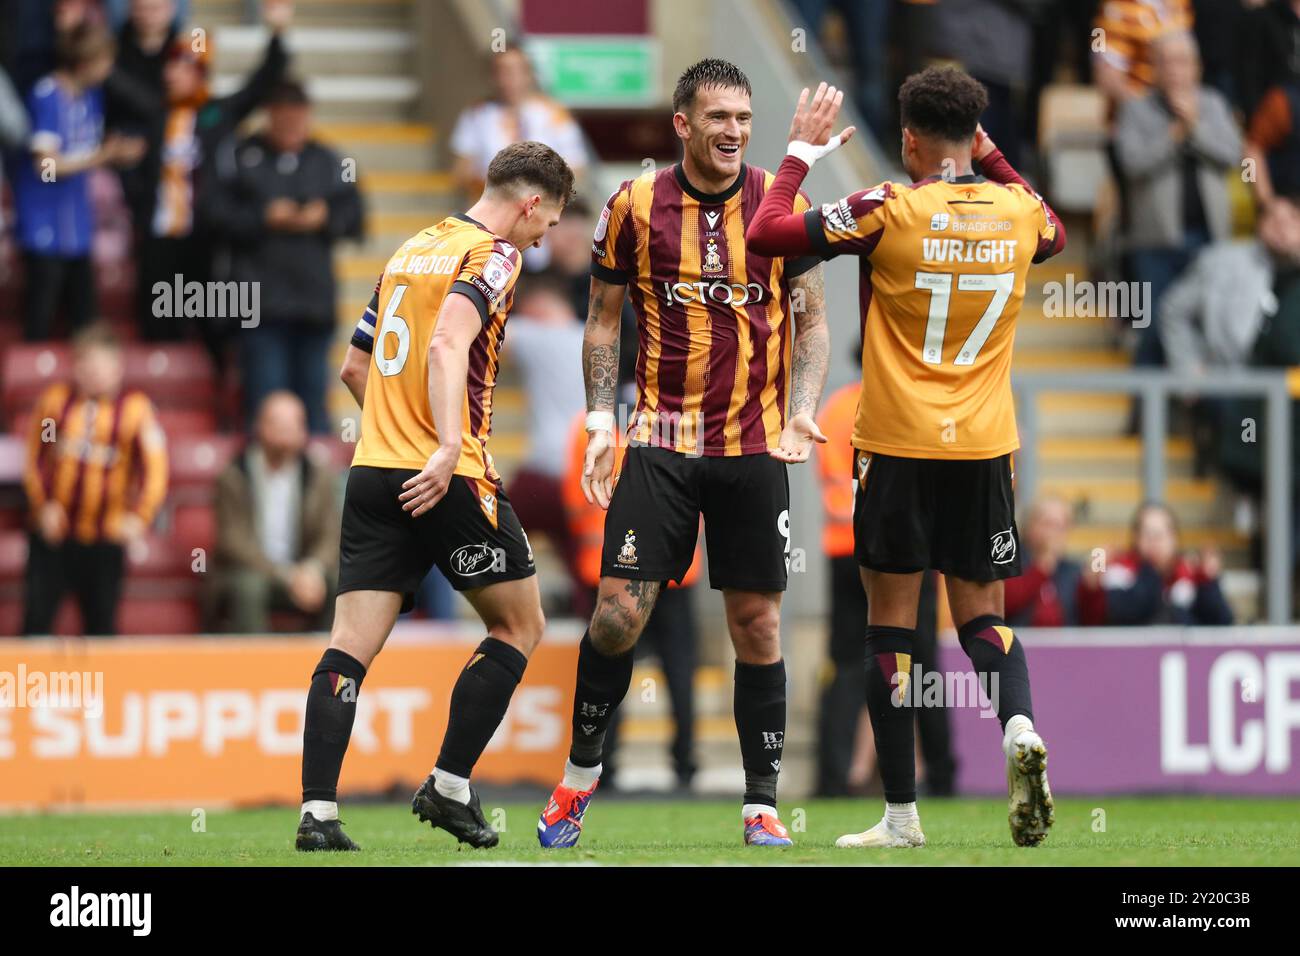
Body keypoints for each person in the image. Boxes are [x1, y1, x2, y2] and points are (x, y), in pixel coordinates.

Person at [747, 66, 1067, 848]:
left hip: (896, 446)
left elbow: (766, 234)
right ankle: (1018, 726)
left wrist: (797, 152)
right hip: (987, 447)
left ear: (908, 140)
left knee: (889, 631)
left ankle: (900, 817)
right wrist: (990, 159)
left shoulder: (887, 209)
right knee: (982, 620)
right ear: (977, 134)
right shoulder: (1018, 212)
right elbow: (1056, 231)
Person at [537, 59, 830, 850]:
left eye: (743, 117)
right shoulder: (633, 205)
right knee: (615, 616)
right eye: (718, 118)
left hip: (754, 446)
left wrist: (802, 413)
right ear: (682, 124)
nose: (734, 130)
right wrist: (601, 419)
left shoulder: (780, 202)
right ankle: (580, 776)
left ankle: (761, 803)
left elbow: (812, 322)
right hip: (659, 440)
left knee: (756, 624)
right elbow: (601, 322)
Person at [294, 141, 574, 852]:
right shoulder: (494, 255)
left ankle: (318, 814)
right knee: (520, 625)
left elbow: (355, 366)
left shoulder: (412, 248)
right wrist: (444, 445)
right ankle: (450, 785)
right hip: (447, 476)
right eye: (546, 225)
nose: (540, 242)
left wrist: (394, 430)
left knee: (348, 651)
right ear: (531, 203)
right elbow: (450, 344)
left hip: (373, 472)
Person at [205, 79, 364, 433]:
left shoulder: (327, 160)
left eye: (298, 119)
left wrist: (325, 218)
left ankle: (319, 486)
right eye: (283, 119)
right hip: (260, 305)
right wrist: (263, 217)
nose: (292, 128)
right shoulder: (240, 156)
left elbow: (355, 218)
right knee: (265, 404)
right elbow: (213, 215)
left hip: (313, 304)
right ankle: (257, 484)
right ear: (268, 116)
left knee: (314, 407)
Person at [136, 0, 290, 349]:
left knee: (213, 325)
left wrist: (277, 32)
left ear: (199, 72)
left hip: (205, 236)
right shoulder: (156, 117)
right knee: (159, 326)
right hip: (160, 238)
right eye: (170, 67)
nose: (170, 74)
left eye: (181, 68)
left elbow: (263, 82)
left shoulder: (217, 114)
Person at [21, 324, 168, 636]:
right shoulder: (54, 403)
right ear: (75, 366)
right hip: (54, 536)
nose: (94, 373)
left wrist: (139, 518)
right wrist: (43, 506)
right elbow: (35, 457)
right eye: (86, 365)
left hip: (106, 538)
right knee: (35, 624)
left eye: (101, 366)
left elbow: (155, 471)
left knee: (102, 629)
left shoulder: (137, 410)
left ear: (118, 368)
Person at [1113, 30, 1241, 367]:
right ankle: (1144, 417)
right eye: (1165, 62)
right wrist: (1173, 136)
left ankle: (1203, 418)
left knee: (1209, 330)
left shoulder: (1212, 104)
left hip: (1209, 240)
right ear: (1153, 67)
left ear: (1196, 67)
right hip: (1155, 243)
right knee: (1152, 330)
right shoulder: (1136, 110)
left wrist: (1195, 127)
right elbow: (1132, 162)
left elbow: (1232, 154)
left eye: (1182, 61)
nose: (1174, 70)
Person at [12, 21, 145, 341]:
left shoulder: (90, 98)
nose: (109, 70)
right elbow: (44, 167)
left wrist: (116, 153)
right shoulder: (47, 94)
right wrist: (99, 158)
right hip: (44, 227)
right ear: (85, 63)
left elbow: (89, 149)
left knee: (87, 322)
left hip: (77, 227)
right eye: (105, 62)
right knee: (40, 319)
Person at [208, 391, 339, 633]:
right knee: (249, 587)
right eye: (279, 423)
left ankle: (327, 664)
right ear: (260, 427)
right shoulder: (234, 475)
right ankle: (255, 667)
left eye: (294, 424)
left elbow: (330, 535)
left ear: (304, 430)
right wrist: (287, 575)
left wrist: (313, 569)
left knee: (339, 582)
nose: (287, 431)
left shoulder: (319, 476)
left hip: (304, 575)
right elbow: (233, 543)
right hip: (254, 573)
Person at [500, 276, 586, 603]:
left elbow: (487, 333)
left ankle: (502, 601)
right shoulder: (589, 340)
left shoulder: (536, 336)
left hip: (544, 469)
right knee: (577, 556)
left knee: (493, 531)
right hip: (581, 474)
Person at [449, 45, 588, 201]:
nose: (509, 79)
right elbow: (461, 171)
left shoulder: (554, 114)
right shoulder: (477, 114)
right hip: (492, 209)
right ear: (492, 76)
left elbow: (576, 166)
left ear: (529, 74)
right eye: (502, 71)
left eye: (516, 71)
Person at [1078, 502, 1233, 625]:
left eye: (1161, 534)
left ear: (1175, 538)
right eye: (1147, 534)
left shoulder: (1192, 574)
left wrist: (1209, 581)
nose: (1154, 541)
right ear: (1135, 538)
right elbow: (1111, 612)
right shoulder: (1119, 570)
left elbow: (1221, 622)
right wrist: (1092, 583)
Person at [1004, 495, 1083, 627]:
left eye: (1061, 526)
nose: (1055, 533)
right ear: (1029, 526)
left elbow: (1088, 621)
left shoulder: (1072, 570)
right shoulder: (1008, 561)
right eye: (1048, 524)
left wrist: (1093, 589)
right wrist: (1042, 567)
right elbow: (1005, 604)